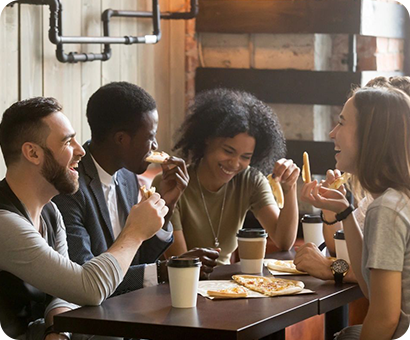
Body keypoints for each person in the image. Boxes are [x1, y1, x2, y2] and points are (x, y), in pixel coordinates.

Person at [0, 97, 167, 340]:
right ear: (33, 153)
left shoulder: (50, 212)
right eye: (68, 142)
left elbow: (62, 291)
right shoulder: (5, 223)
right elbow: (88, 289)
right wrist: (134, 232)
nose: (80, 151)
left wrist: (57, 330)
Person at [53, 82, 219, 293]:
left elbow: (136, 259)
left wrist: (167, 203)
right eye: (150, 137)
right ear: (121, 139)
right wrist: (163, 271)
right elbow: (86, 278)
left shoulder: (127, 176)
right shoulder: (70, 188)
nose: (156, 146)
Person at [301, 86, 410, 339]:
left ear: (370, 136)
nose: (332, 133)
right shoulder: (397, 199)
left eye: (341, 123)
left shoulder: (387, 209)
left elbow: (384, 318)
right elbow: (370, 285)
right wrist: (345, 212)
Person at [153, 88, 300, 265]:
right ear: (207, 139)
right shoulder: (171, 184)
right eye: (228, 151)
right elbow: (181, 264)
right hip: (182, 284)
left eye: (245, 157)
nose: (235, 163)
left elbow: (283, 241)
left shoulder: (250, 181)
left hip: (228, 285)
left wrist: (290, 188)